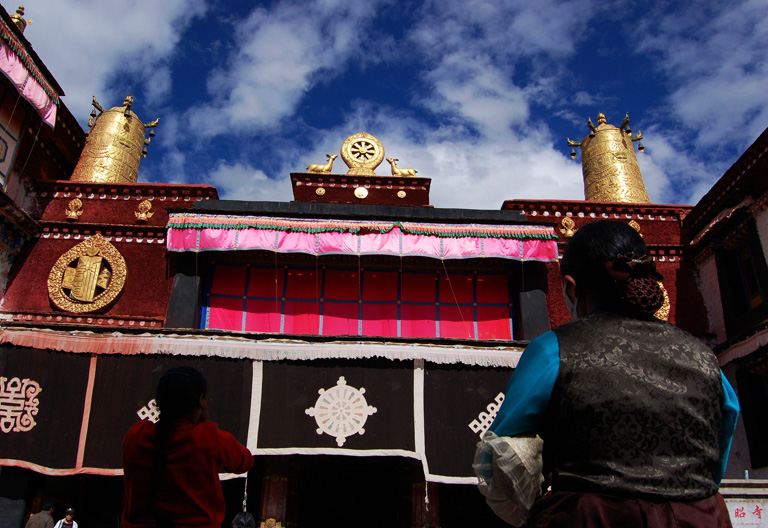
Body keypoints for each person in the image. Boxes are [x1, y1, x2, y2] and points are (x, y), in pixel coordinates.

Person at [476, 220, 740, 527]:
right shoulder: (703, 356)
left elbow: (503, 450)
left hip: (589, 516)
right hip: (700, 517)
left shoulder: (554, 348)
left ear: (571, 287)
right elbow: (721, 440)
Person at [122, 366, 254, 528]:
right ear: (201, 401)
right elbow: (244, 461)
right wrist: (207, 424)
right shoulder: (209, 439)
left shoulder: (136, 435)